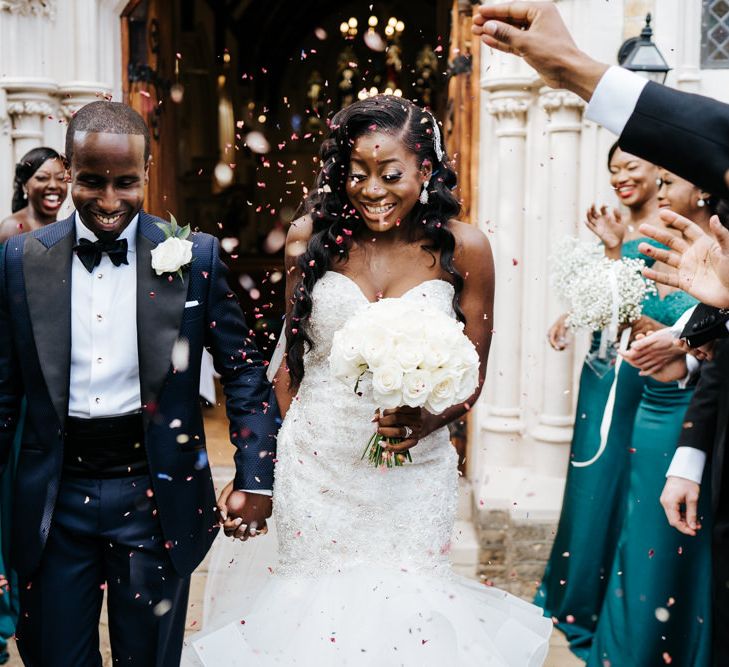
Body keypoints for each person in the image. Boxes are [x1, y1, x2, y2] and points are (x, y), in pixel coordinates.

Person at [185, 95, 552, 665]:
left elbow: (471, 371)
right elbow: (293, 363)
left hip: (412, 470)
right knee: (310, 609)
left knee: (408, 609)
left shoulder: (465, 248)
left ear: (425, 170)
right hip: (318, 463)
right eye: (358, 174)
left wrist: (429, 418)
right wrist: (262, 471)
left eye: (391, 174)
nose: (373, 190)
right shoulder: (311, 239)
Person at [0, 101, 280, 666]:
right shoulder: (19, 260)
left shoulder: (194, 256)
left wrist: (256, 475)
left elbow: (244, 370)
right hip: (52, 498)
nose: (109, 201)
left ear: (148, 174)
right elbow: (4, 394)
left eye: (126, 183)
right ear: (68, 170)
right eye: (91, 181)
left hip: (154, 495)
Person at [585, 172, 722, 667]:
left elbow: (716, 334)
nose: (661, 189)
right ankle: (631, 649)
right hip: (654, 398)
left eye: (670, 178)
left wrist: (685, 344)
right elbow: (621, 310)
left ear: (703, 189)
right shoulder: (653, 247)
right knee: (641, 540)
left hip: (695, 406)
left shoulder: (717, 250)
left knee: (689, 549)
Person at [536, 144, 661, 658]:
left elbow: (653, 307)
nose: (620, 179)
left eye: (631, 167)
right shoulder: (614, 228)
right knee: (590, 479)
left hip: (643, 376)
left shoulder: (669, 227)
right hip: (602, 371)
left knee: (623, 480)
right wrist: (575, 312)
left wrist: (615, 257)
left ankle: (611, 599)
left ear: (660, 171)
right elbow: (611, 301)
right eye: (613, 170)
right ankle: (575, 590)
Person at [0, 147, 68, 664]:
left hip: (55, 385)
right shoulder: (11, 234)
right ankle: (9, 606)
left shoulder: (72, 237)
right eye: (43, 178)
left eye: (62, 179)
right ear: (25, 182)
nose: (54, 187)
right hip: (17, 387)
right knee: (12, 494)